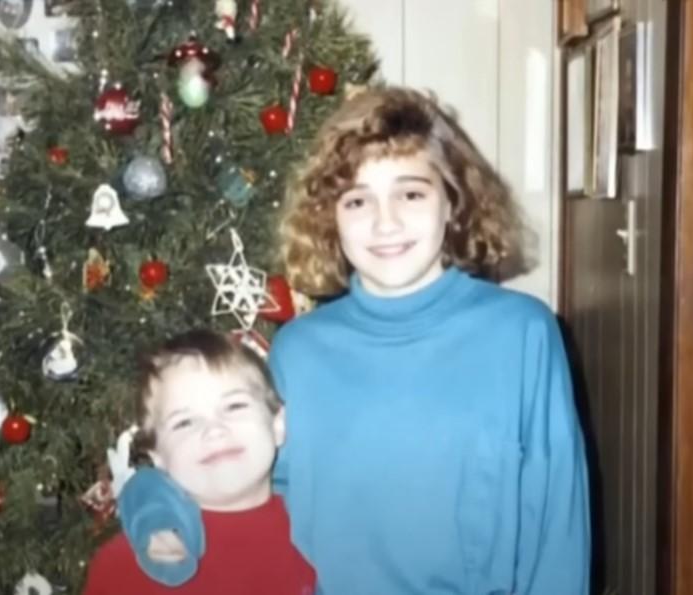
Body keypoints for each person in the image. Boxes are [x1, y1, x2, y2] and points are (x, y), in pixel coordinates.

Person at [125, 86, 591, 594]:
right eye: (357, 200)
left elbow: (557, 520)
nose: (384, 222)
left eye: (410, 194)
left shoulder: (520, 333)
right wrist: (152, 511)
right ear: (331, 216)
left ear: (452, 202)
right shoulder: (300, 350)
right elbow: (216, 469)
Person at [83, 330, 315, 595]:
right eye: (184, 422)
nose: (214, 430)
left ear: (278, 424)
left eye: (234, 406)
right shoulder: (124, 567)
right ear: (157, 457)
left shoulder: (327, 536)